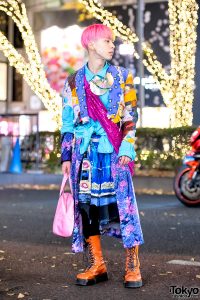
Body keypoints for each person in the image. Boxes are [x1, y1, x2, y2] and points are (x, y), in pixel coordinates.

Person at [61, 23, 144, 288]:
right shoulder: (74, 81)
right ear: (91, 44)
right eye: (107, 41)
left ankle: (133, 266)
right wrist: (66, 157)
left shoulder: (122, 76)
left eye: (112, 41)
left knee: (123, 206)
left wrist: (128, 148)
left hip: (115, 152)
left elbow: (130, 116)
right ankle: (97, 264)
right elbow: (66, 122)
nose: (112, 45)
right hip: (84, 154)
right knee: (86, 208)